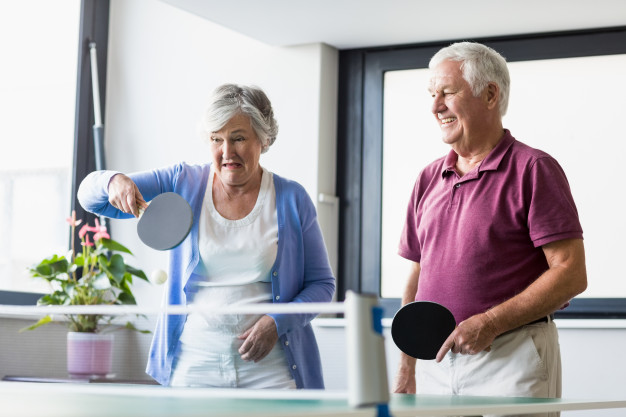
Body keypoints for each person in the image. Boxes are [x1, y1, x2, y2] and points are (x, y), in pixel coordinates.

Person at [78, 84, 336, 389]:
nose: (227, 152)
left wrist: (277, 323)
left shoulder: (293, 198)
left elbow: (322, 284)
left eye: (238, 138)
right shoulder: (181, 181)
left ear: (263, 139)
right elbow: (89, 196)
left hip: (271, 369)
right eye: (216, 139)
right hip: (195, 364)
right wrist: (113, 180)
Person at [392, 42, 587, 416]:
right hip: (436, 363)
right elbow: (419, 272)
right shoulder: (428, 178)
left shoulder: (534, 169)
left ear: (490, 94)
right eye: (432, 94)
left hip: (511, 358)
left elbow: (571, 273)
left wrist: (489, 323)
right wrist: (407, 363)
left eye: (447, 92)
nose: (435, 106)